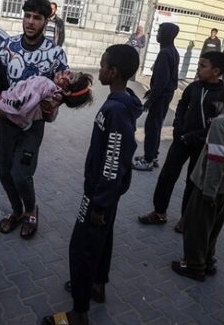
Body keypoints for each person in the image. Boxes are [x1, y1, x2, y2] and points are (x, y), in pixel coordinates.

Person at [42, 44, 143, 325]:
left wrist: (99, 203)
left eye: (103, 65)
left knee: (81, 247)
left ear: (114, 72)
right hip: (105, 193)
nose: (99, 70)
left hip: (99, 195)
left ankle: (78, 313)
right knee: (102, 239)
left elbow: (114, 159)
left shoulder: (116, 110)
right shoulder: (120, 102)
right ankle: (96, 286)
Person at [0, 0, 68, 240]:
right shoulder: (8, 46)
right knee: (5, 173)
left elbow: (64, 89)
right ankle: (17, 211)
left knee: (21, 174)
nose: (30, 22)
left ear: (46, 21)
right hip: (7, 121)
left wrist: (55, 102)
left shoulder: (55, 53)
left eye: (37, 18)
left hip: (33, 125)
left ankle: (30, 211)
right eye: (27, 16)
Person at [137, 51, 224, 233]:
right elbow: (181, 106)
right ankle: (159, 212)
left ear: (216, 71)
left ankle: (186, 219)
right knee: (167, 175)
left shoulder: (223, 95)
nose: (198, 69)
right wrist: (178, 127)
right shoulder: (193, 87)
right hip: (181, 139)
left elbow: (219, 123)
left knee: (193, 183)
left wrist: (195, 136)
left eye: (203, 66)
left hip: (202, 145)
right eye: (199, 64)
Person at [172, 80, 224, 282]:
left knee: (197, 226)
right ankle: (207, 261)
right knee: (213, 226)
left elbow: (217, 160)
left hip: (209, 184)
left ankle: (194, 266)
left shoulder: (220, 123)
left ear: (221, 98)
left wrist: (209, 190)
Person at [0, 56, 92, 129]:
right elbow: (49, 117)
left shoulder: (44, 84)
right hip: (6, 97)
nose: (66, 71)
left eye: (70, 77)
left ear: (67, 91)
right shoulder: (54, 97)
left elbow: (20, 106)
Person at [133, 23, 180, 171]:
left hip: (161, 96)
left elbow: (162, 81)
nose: (157, 35)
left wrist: (151, 99)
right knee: (156, 125)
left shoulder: (165, 53)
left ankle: (148, 160)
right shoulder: (172, 51)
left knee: (152, 126)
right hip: (165, 94)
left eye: (160, 32)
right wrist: (152, 91)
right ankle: (152, 156)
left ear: (167, 35)